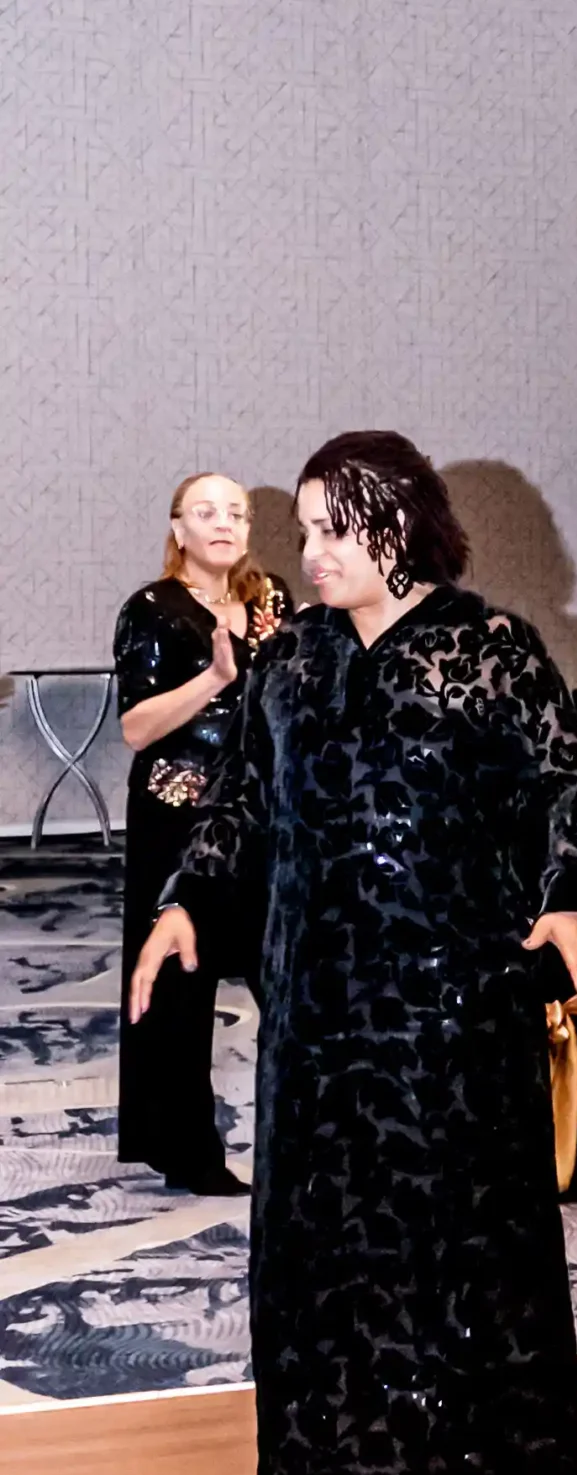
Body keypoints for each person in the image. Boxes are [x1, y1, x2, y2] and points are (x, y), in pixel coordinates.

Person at [130, 431, 577, 1475]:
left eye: (332, 528)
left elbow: (563, 788)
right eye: (304, 529)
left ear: (398, 527)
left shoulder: (488, 650)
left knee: (450, 1238)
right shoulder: (290, 662)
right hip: (313, 1010)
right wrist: (188, 900)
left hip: (450, 1008)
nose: (308, 552)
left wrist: (570, 900)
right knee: (322, 1250)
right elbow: (240, 802)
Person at [111, 473, 292, 1193]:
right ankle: (184, 1148)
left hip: (262, 814)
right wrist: (217, 677)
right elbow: (136, 728)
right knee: (181, 988)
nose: (224, 524)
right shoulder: (151, 610)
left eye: (237, 513)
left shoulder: (272, 600)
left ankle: (310, 1139)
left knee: (286, 973)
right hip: (179, 817)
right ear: (178, 529)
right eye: (206, 512)